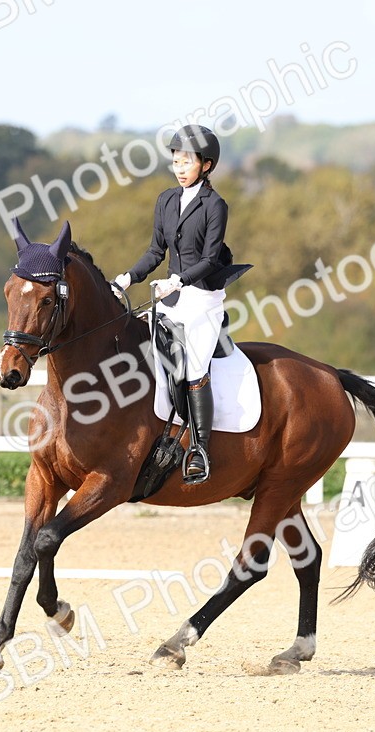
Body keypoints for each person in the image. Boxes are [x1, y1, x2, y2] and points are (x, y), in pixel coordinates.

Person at [111, 125, 249, 484]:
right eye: (175, 160)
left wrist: (181, 280)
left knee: (192, 368)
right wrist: (128, 277)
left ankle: (199, 449)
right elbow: (157, 250)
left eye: (187, 161)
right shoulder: (166, 200)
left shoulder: (215, 205)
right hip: (170, 295)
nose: (179, 167)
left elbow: (210, 257)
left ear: (206, 165)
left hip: (202, 297)